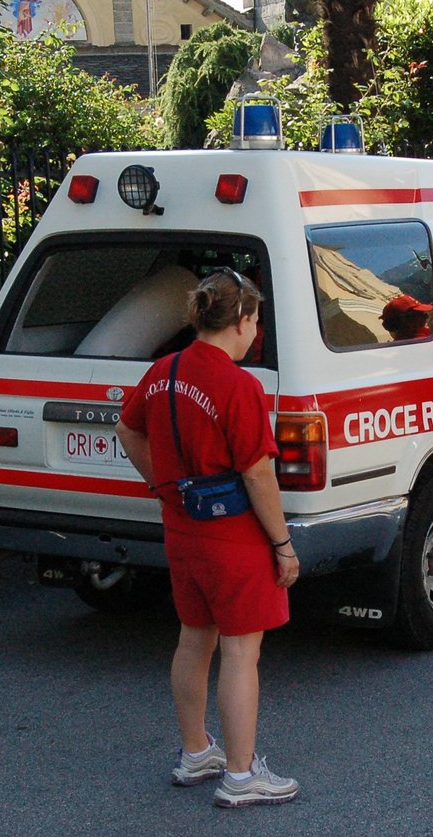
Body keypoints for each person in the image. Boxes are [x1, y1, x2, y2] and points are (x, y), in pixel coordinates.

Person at [116, 270, 301, 808]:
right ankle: (242, 776)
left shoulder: (162, 371)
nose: (256, 332)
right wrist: (283, 544)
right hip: (233, 533)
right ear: (241, 321)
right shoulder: (239, 385)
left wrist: (161, 483)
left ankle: (196, 751)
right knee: (243, 651)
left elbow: (127, 429)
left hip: (182, 526)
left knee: (194, 638)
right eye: (255, 321)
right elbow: (258, 474)